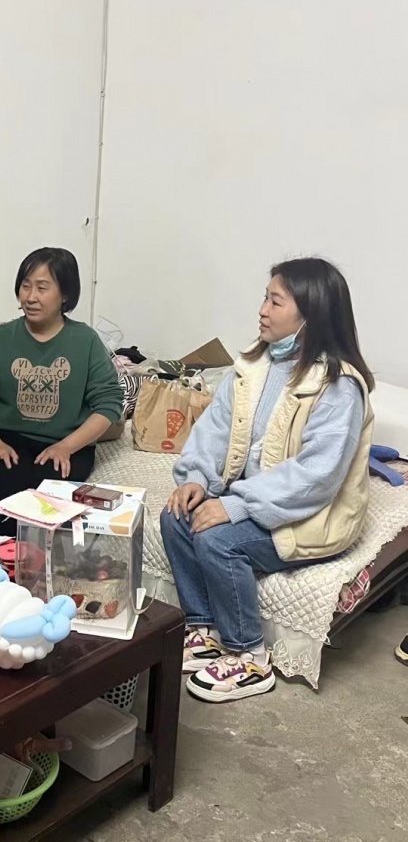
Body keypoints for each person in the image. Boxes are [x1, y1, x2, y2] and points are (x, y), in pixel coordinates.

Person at [160, 257, 374, 703]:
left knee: (217, 540)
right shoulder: (252, 367)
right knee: (177, 515)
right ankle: (204, 630)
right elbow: (215, 431)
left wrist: (234, 506)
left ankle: (249, 655)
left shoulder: (338, 385)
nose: (262, 310)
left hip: (310, 514)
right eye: (265, 298)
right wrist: (196, 478)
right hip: (256, 497)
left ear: (309, 315)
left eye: (275, 302)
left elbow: (316, 476)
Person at [0, 248, 124, 534]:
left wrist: (67, 446)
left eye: (42, 288)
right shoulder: (0, 339)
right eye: (26, 286)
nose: (31, 297)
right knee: (2, 494)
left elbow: (109, 405)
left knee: (50, 501)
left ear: (65, 295)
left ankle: (47, 561)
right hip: (11, 442)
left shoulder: (84, 340)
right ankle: (2, 558)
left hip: (68, 445)